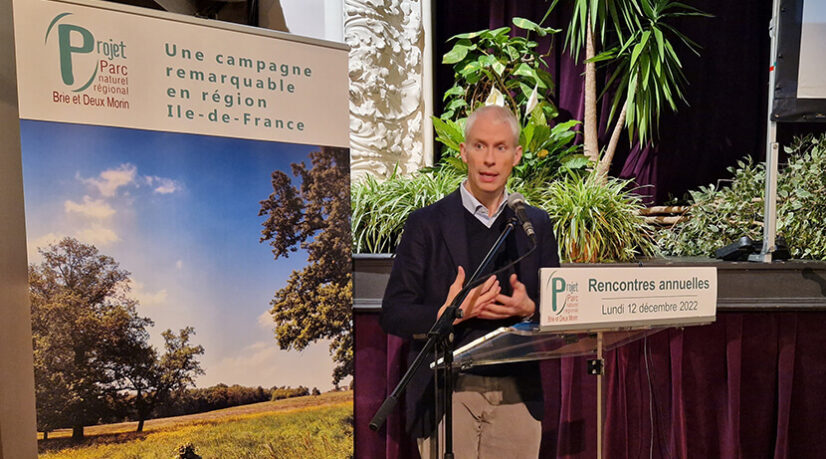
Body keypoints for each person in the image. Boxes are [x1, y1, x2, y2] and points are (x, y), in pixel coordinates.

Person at [380, 105, 560, 458]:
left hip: (517, 394)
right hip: (447, 392)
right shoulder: (426, 224)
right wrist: (449, 313)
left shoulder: (534, 225)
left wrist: (532, 308)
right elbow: (394, 314)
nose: (489, 159)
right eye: (479, 146)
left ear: (517, 155)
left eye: (500, 147)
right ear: (463, 152)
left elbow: (561, 313)